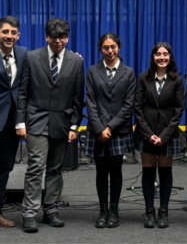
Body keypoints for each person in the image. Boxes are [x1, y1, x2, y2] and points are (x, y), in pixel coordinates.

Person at [15, 18, 85, 233]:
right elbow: (23, 92)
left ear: (67, 37)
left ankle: (51, 210)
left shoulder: (76, 61)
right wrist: (20, 121)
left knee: (55, 169)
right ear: (46, 37)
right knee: (36, 166)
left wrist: (74, 126)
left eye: (62, 37)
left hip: (62, 124)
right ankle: (29, 212)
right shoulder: (31, 57)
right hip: (35, 122)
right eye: (54, 37)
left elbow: (77, 97)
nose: (58, 41)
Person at [85, 33, 136, 228]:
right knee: (100, 171)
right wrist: (100, 128)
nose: (110, 51)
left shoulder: (128, 72)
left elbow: (128, 104)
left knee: (115, 170)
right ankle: (102, 210)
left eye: (113, 46)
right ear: (101, 49)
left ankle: (114, 211)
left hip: (118, 130)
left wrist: (110, 127)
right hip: (97, 131)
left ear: (119, 47)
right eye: (106, 47)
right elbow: (90, 101)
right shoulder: (92, 71)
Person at [134, 42, 184, 228]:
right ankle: (149, 211)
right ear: (153, 57)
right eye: (158, 54)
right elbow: (137, 108)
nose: (162, 57)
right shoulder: (143, 78)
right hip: (146, 132)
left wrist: (164, 136)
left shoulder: (177, 80)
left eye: (165, 54)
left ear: (170, 57)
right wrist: (148, 134)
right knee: (148, 173)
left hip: (167, 134)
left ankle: (163, 211)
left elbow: (179, 109)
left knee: (165, 173)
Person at [0, 16, 28, 228]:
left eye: (13, 33)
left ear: (18, 35)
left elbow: (44, 64)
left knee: (5, 167)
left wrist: (73, 58)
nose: (9, 36)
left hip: (12, 123)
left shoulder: (23, 53)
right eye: (5, 31)